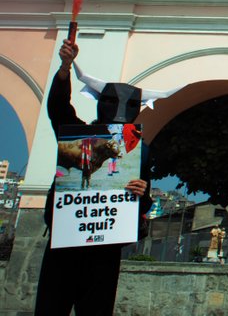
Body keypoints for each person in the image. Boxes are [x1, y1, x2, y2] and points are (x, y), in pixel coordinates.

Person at [34, 38, 175, 315]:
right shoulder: (76, 133)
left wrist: (142, 192)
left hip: (105, 250)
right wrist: (65, 68)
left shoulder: (140, 152)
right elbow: (58, 108)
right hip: (65, 241)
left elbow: (143, 204)